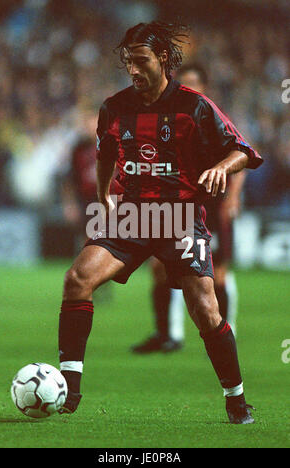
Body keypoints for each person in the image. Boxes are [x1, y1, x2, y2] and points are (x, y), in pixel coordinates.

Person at [58, 22, 263, 424]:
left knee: (205, 310)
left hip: (181, 217)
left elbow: (244, 151)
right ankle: (68, 388)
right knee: (76, 279)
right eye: (128, 62)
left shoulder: (194, 106)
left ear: (163, 58)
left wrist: (222, 167)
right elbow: (105, 155)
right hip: (133, 214)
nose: (133, 69)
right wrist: (103, 196)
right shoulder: (114, 107)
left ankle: (236, 399)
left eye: (140, 60)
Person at [131, 63, 245, 354]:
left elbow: (240, 154)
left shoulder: (213, 118)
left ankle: (225, 330)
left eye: (195, 83)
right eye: (185, 83)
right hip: (178, 204)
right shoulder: (171, 118)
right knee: (159, 267)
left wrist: (233, 196)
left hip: (213, 205)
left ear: (205, 87)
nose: (190, 88)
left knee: (216, 274)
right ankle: (168, 334)